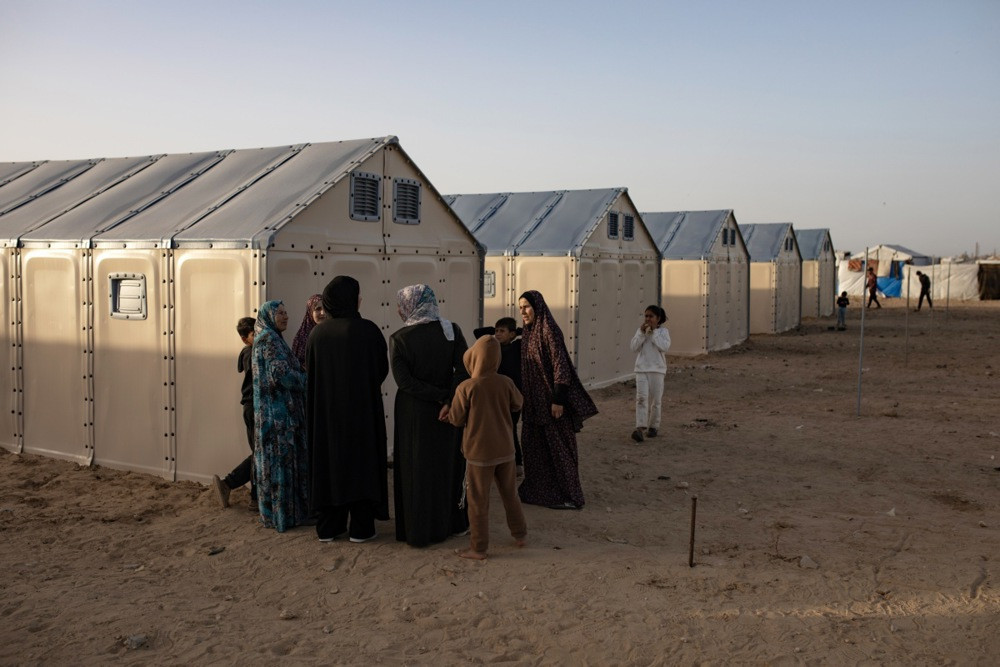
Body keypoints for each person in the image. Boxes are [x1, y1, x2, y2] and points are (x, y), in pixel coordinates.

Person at [306, 277, 389, 543]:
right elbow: (380, 370)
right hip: (361, 414)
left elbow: (312, 374)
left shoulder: (317, 334)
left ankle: (330, 527)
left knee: (330, 465)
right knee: (361, 466)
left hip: (327, 416)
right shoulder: (367, 330)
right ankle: (361, 528)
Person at [390, 284, 470, 547]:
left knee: (417, 468)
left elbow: (405, 382)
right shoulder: (452, 331)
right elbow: (464, 370)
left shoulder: (399, 338)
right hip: (449, 411)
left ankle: (419, 530)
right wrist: (448, 399)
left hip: (415, 413)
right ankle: (453, 524)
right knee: (447, 466)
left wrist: (437, 396)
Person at [448, 334, 527, 560]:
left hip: (479, 453)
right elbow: (518, 403)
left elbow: (456, 418)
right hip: (506, 450)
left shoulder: (467, 387)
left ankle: (478, 548)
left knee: (478, 501)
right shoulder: (506, 382)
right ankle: (520, 534)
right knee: (510, 494)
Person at [516, 290, 597, 510]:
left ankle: (570, 495)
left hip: (551, 404)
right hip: (533, 405)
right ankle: (540, 492)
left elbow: (561, 367)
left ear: (538, 307)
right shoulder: (528, 332)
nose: (522, 311)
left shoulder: (548, 330)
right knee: (534, 448)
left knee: (559, 449)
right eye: (520, 307)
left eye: (526, 306)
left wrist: (558, 400)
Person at [252, 300, 310, 532]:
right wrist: (308, 380)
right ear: (268, 316)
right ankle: (283, 516)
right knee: (280, 464)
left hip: (275, 415)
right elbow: (282, 377)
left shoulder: (271, 338)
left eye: (286, 312)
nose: (285, 317)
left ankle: (280, 515)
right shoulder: (270, 341)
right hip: (277, 418)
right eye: (280, 313)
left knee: (276, 465)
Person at [212, 317, 258, 511]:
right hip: (254, 408)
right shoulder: (250, 353)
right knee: (260, 454)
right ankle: (234, 487)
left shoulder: (250, 351)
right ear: (244, 338)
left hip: (252, 407)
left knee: (260, 453)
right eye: (254, 333)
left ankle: (231, 486)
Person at [474, 317, 524, 476]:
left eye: (502, 331)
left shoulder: (517, 347)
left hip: (512, 396)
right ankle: (498, 463)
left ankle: (517, 463)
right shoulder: (493, 347)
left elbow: (527, 334)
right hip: (495, 396)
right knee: (494, 428)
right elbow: (477, 333)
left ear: (512, 334)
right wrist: (495, 331)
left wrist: (515, 333)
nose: (497, 334)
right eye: (496, 331)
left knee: (509, 429)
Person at [629, 305, 671, 443]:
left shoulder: (663, 332)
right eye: (646, 316)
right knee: (641, 398)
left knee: (656, 401)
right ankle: (640, 428)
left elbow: (664, 347)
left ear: (658, 319)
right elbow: (633, 347)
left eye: (651, 316)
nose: (648, 319)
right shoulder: (640, 331)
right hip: (641, 369)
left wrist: (652, 333)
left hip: (657, 370)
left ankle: (653, 426)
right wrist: (642, 334)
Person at [291, 294, 325, 369]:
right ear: (310, 312)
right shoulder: (302, 337)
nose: (323, 313)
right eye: (318, 309)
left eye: (325, 308)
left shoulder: (333, 333)